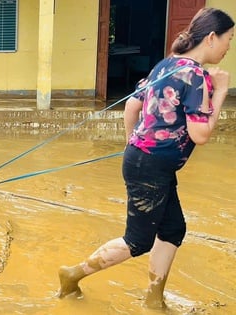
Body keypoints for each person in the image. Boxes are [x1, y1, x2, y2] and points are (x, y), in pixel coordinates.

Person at [57, 8, 233, 309]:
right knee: (137, 241)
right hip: (151, 164)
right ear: (212, 38)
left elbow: (131, 108)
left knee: (173, 229)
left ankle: (154, 298)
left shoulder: (166, 64)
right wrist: (220, 94)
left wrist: (135, 145)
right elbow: (200, 134)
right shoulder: (196, 76)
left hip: (146, 161)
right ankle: (72, 275)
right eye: (229, 39)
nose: (230, 46)